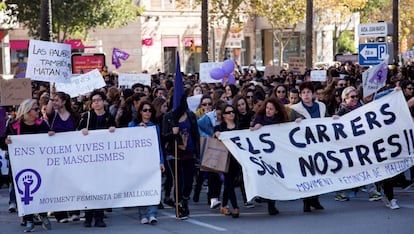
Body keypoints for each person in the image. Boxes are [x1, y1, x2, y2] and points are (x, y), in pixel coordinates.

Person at [1, 99, 52, 232]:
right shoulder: (13, 125)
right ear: (28, 111)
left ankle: (42, 215)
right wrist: (6, 141)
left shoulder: (42, 124)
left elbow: (50, 141)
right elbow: (3, 142)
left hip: (39, 163)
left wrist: (51, 135)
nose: (39, 111)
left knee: (41, 189)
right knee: (24, 192)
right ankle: (28, 219)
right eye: (36, 109)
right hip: (20, 165)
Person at [77, 90, 116, 228]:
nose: (96, 102)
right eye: (94, 100)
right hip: (88, 159)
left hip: (103, 160)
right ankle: (88, 217)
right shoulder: (86, 116)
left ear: (104, 101)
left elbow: (116, 135)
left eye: (99, 99)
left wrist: (113, 130)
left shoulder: (109, 117)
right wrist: (82, 132)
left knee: (100, 188)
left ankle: (99, 217)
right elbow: (76, 135)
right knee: (88, 188)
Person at [162, 94, 200, 219]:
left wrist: (198, 153)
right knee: (179, 181)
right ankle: (179, 206)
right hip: (174, 154)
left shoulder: (191, 116)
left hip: (189, 153)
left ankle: (184, 200)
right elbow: (164, 136)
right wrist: (173, 134)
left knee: (188, 183)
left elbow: (196, 135)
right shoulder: (168, 117)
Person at [46, 89, 81, 223]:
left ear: (64, 102)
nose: (54, 103)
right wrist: (51, 95)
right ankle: (60, 214)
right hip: (56, 155)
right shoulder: (53, 115)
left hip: (71, 155)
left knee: (72, 182)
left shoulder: (74, 116)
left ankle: (74, 211)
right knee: (58, 183)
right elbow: (48, 111)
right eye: (53, 100)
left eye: (56, 100)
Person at [290, 82, 326, 212]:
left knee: (318, 171)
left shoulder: (321, 106)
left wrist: (334, 119)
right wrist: (295, 123)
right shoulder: (295, 109)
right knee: (307, 172)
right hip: (304, 145)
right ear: (300, 95)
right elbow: (288, 127)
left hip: (319, 144)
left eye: (308, 92)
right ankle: (306, 201)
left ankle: (315, 200)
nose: (306, 95)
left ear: (313, 94)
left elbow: (326, 122)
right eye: (303, 93)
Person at [250, 97, 290, 215]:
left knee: (274, 178)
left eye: (271, 109)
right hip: (263, 155)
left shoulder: (281, 121)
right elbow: (251, 131)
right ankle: (264, 197)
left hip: (277, 155)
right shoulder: (260, 118)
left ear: (276, 111)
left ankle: (271, 204)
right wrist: (256, 127)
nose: (268, 111)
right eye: (267, 108)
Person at [128, 101, 165, 224]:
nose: (147, 113)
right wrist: (139, 129)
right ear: (140, 112)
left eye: (150, 110)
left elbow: (158, 144)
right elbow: (128, 140)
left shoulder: (155, 126)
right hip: (139, 162)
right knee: (141, 189)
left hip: (152, 161)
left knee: (153, 187)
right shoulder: (132, 125)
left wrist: (161, 161)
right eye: (145, 110)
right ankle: (143, 214)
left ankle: (152, 214)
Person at [197, 100, 227, 209]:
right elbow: (197, 126)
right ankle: (212, 198)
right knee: (212, 173)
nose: (219, 117)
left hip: (222, 147)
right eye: (218, 114)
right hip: (211, 146)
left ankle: (215, 197)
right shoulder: (208, 118)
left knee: (219, 172)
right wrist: (207, 136)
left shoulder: (226, 117)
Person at [214, 104, 241, 218]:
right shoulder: (220, 128)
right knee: (229, 182)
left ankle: (224, 205)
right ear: (224, 115)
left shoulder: (239, 126)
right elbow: (215, 139)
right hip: (225, 159)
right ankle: (235, 207)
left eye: (233, 111)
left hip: (237, 159)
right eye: (229, 112)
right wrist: (216, 135)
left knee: (229, 183)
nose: (232, 114)